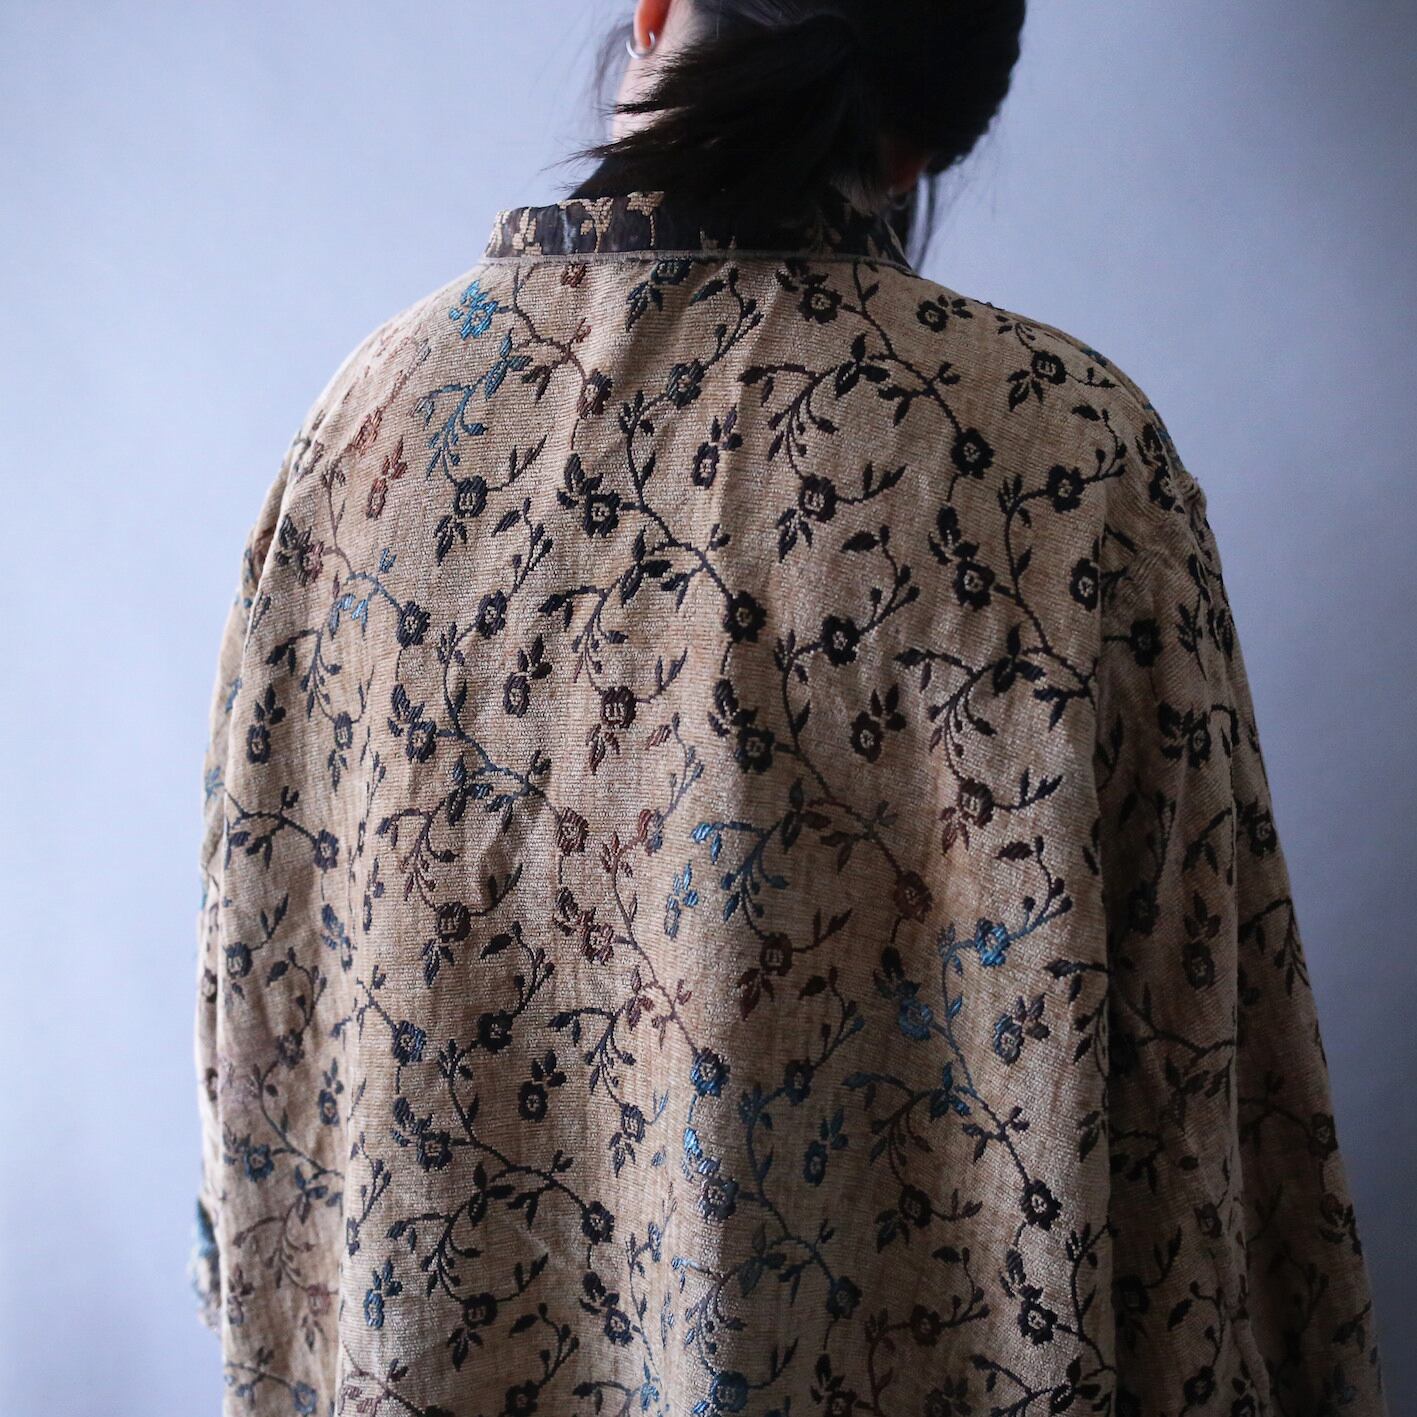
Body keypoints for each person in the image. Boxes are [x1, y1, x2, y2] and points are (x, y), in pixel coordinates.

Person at [192, 2, 1387, 1413]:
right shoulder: (1068, 463)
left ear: (653, 11)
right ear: (918, 145)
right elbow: (1207, 1063)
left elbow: (261, 1031)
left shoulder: (367, 441)